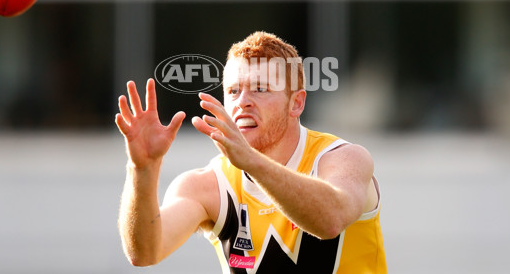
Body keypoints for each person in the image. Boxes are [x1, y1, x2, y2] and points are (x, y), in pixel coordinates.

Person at [115, 31, 387, 273]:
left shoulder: (342, 157)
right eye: (233, 91)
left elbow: (331, 220)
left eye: (260, 89)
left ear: (296, 103)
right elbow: (145, 253)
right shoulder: (208, 184)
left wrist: (252, 162)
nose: (243, 102)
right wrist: (142, 169)